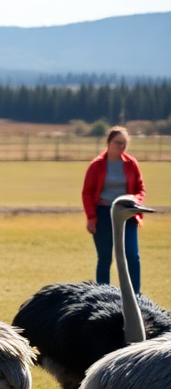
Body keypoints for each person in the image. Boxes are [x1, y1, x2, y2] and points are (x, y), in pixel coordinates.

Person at [82, 125, 146, 293]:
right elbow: (87, 193)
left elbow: (140, 189)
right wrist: (91, 217)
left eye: (124, 143)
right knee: (105, 257)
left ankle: (135, 296)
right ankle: (103, 295)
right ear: (109, 142)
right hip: (103, 214)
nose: (121, 146)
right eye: (118, 142)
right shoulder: (97, 165)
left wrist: (136, 200)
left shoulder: (131, 164)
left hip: (127, 214)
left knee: (132, 255)